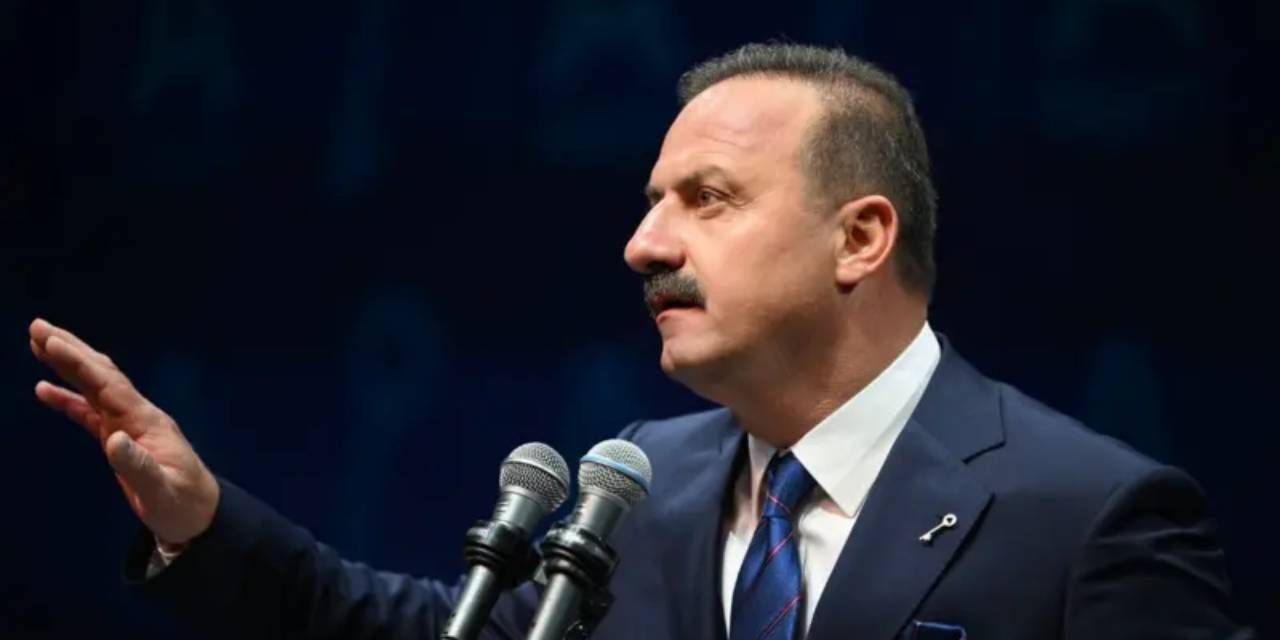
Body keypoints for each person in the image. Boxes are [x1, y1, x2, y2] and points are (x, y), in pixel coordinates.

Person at [29, 43, 1252, 640]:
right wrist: (200, 522)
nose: (640, 243)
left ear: (859, 237)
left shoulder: (1088, 518)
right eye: (651, 201)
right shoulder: (643, 484)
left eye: (705, 200)